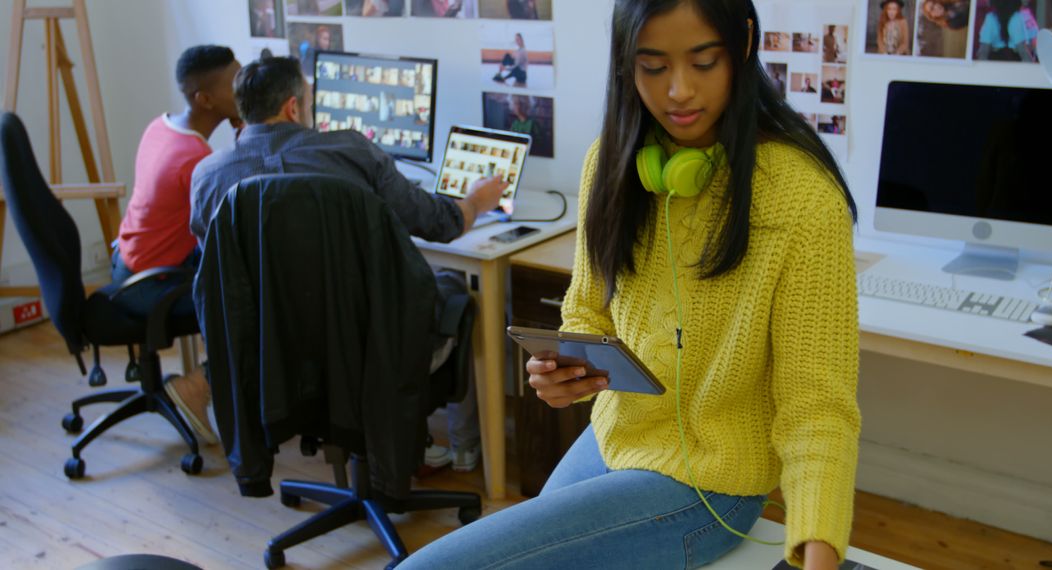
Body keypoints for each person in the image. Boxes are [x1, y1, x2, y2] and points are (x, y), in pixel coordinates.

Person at [398, 0, 860, 568]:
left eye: (703, 61)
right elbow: (588, 310)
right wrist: (568, 368)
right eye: (653, 66)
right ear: (626, 66)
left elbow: (818, 408)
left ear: (741, 47)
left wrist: (819, 555)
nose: (679, 91)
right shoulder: (611, 164)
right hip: (615, 437)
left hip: (709, 487)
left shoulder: (803, 199)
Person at [189, 56, 507, 471]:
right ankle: (465, 451)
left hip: (272, 356)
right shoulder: (352, 151)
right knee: (456, 290)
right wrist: (476, 202)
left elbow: (222, 278)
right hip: (366, 348)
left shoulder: (208, 176)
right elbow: (439, 223)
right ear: (292, 107)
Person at [108, 45, 242, 446]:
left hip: (126, 263)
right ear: (205, 99)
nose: (245, 87)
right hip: (153, 284)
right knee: (256, 301)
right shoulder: (195, 160)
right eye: (236, 83)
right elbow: (229, 239)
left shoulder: (162, 126)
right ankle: (198, 386)